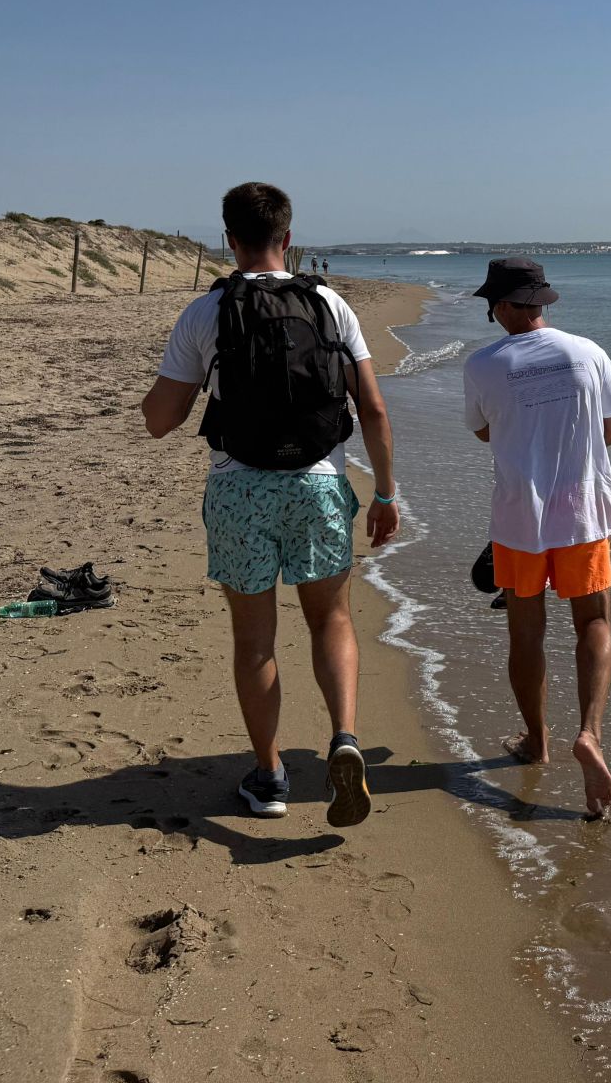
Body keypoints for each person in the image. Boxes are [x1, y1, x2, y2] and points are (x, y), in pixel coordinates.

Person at [140, 182, 400, 827]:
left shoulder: (206, 313)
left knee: (255, 640)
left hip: (239, 487)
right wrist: (387, 493)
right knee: (332, 620)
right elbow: (370, 406)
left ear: (228, 239)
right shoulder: (332, 305)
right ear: (289, 238)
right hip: (317, 483)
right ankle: (343, 738)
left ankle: (272, 776)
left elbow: (160, 421)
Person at [462, 258, 611, 819]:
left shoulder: (484, 364)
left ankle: (537, 741)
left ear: (506, 307)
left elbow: (486, 430)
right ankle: (590, 734)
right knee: (595, 622)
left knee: (526, 632)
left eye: (494, 305)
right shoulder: (588, 351)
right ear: (542, 303)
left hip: (519, 517)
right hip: (582, 512)